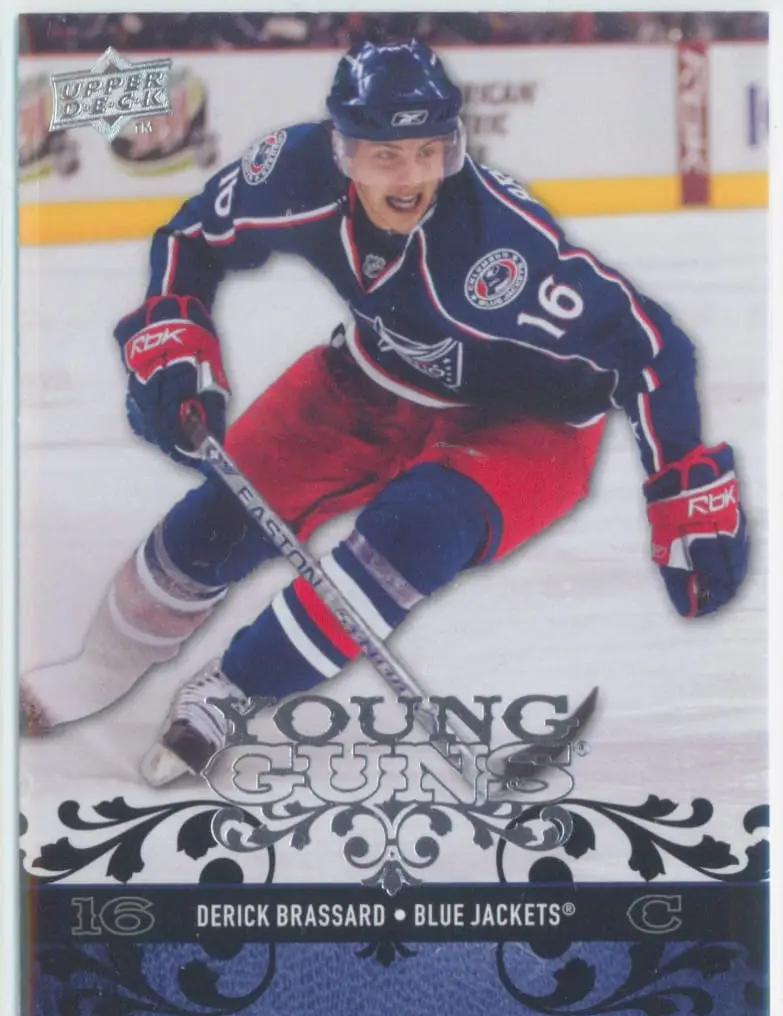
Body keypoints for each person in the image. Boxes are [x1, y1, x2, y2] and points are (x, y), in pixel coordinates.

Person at [21, 40, 748, 784]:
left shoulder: (498, 250)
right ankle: (99, 665)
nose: (411, 178)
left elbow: (652, 347)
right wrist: (174, 340)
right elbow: (192, 237)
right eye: (387, 155)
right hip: (371, 378)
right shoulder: (292, 172)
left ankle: (231, 691)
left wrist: (685, 494)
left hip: (528, 426)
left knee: (410, 536)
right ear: (343, 150)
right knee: (222, 518)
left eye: (429, 152)